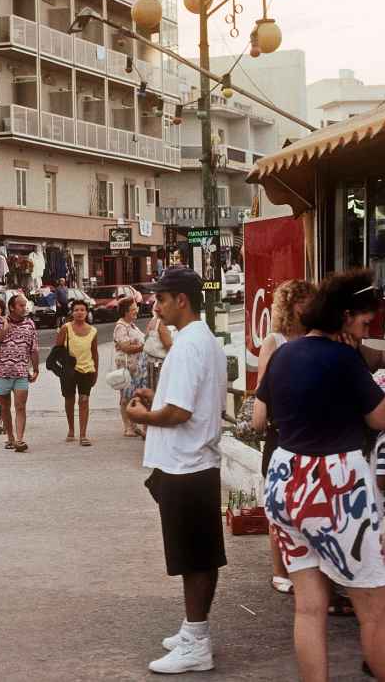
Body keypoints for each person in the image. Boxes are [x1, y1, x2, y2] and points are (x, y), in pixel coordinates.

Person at [251, 268, 385, 682]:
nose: (367, 327)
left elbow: (258, 414)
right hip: (335, 487)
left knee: (308, 606)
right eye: (363, 320)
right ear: (343, 315)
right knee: (375, 611)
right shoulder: (344, 358)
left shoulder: (285, 352)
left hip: (285, 478)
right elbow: (379, 420)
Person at [125, 267, 227, 675]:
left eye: (162, 298)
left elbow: (180, 412)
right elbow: (188, 398)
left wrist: (143, 414)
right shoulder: (199, 340)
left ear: (181, 300)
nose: (156, 304)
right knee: (197, 554)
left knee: (194, 557)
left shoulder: (188, 346)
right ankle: (193, 630)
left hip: (188, 464)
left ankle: (197, 641)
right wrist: (158, 395)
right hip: (191, 462)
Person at [255, 279, 317, 595]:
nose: (312, 307)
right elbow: (263, 387)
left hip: (310, 430)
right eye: (306, 301)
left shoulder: (318, 338)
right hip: (281, 430)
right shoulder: (275, 340)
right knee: (278, 503)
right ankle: (280, 569)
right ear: (293, 306)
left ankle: (306, 566)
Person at [0, 293, 39, 453]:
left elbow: (34, 349)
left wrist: (36, 369)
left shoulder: (30, 324)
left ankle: (20, 439)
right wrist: (4, 330)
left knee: (20, 406)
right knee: (5, 407)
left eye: (25, 305)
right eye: (21, 306)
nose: (24, 308)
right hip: (1, 373)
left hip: (21, 373)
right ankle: (10, 437)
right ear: (11, 307)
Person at [55, 299, 98, 445]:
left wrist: (96, 372)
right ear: (72, 313)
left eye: (82, 310)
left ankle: (83, 435)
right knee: (70, 400)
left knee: (84, 400)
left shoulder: (93, 331)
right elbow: (57, 350)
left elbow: (95, 353)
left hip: (87, 369)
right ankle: (71, 429)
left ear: (87, 313)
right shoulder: (65, 328)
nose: (79, 313)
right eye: (76, 310)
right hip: (68, 371)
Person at [113, 296, 147, 438]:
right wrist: (144, 347)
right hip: (126, 366)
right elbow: (125, 347)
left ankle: (134, 424)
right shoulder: (121, 326)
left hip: (136, 367)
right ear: (126, 311)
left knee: (135, 395)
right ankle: (128, 427)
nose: (136, 310)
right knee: (126, 396)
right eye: (133, 309)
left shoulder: (132, 325)